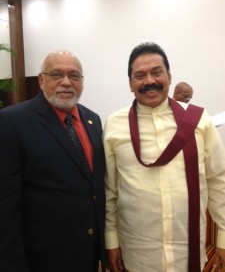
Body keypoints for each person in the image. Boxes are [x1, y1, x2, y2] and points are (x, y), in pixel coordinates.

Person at [103, 42, 225, 272]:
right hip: (138, 253)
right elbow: (110, 190)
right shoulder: (114, 125)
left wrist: (223, 239)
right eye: (139, 75)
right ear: (130, 83)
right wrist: (111, 242)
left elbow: (219, 180)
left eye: (156, 72)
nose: (149, 81)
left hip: (188, 249)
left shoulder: (199, 120)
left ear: (169, 75)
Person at [0, 50, 106, 272]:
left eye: (74, 76)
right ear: (41, 80)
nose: (66, 82)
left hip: (87, 255)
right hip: (41, 259)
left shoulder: (92, 120)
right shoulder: (12, 122)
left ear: (82, 81)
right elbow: (6, 205)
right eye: (56, 74)